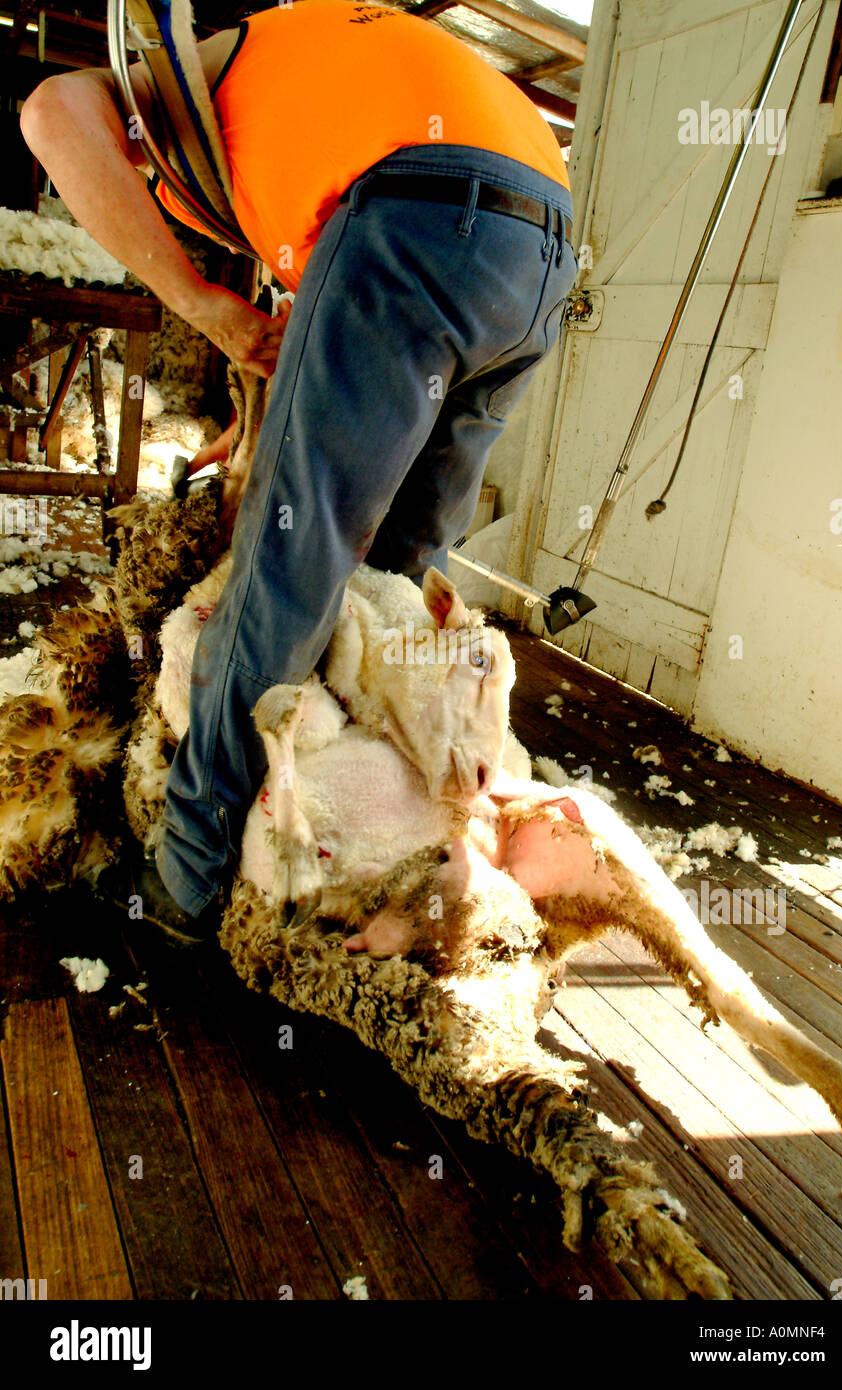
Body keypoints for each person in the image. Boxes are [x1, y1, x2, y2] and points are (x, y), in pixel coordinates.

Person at [21, 0, 576, 940]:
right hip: (541, 253)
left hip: (418, 211)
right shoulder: (331, 67)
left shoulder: (190, 76)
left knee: (289, 562)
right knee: (396, 577)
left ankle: (191, 877)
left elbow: (48, 112)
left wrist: (202, 304)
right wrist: (261, 437)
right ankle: (391, 832)